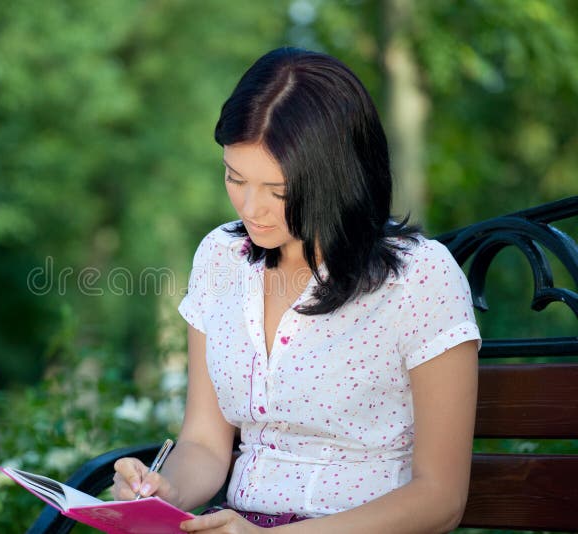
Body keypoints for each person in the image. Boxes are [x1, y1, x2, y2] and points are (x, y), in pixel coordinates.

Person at [112, 47, 481, 533]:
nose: (251, 208)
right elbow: (203, 442)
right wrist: (165, 492)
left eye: (279, 192)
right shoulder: (221, 258)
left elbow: (440, 499)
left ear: (340, 178)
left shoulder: (419, 279)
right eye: (234, 177)